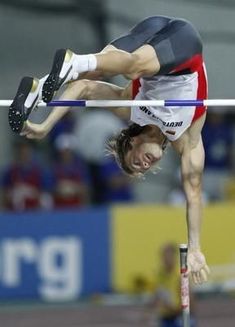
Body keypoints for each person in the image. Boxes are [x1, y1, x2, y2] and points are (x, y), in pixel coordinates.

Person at [8, 15, 210, 284]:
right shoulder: (186, 139)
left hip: (155, 41)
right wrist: (195, 248)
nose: (145, 165)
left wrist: (45, 126)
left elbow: (84, 88)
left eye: (135, 162)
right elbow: (193, 192)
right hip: (185, 51)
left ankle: (59, 73)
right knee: (118, 64)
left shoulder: (132, 109)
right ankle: (49, 81)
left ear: (133, 142)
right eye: (144, 168)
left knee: (115, 68)